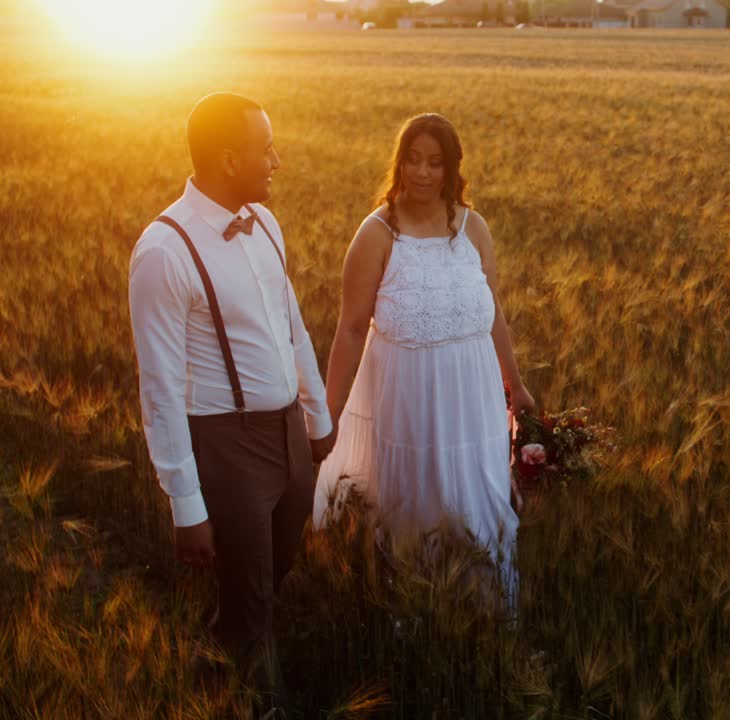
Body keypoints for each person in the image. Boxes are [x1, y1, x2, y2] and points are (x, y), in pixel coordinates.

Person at [128, 92, 336, 703]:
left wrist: (317, 416)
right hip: (229, 446)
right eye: (265, 148)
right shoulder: (163, 251)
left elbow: (292, 326)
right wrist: (185, 505)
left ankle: (215, 667)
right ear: (226, 158)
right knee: (249, 605)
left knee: (268, 582)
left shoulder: (265, 222)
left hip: (289, 435)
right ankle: (255, 701)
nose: (277, 160)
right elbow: (160, 387)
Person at [313, 113, 535, 614]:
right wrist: (328, 413)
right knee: (417, 512)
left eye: (435, 163)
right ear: (399, 163)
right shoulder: (377, 233)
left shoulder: (473, 227)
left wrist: (516, 385)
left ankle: (488, 619)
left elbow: (493, 313)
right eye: (412, 160)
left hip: (476, 405)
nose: (422, 172)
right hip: (411, 405)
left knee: (481, 507)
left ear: (451, 168)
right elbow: (351, 329)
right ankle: (415, 620)